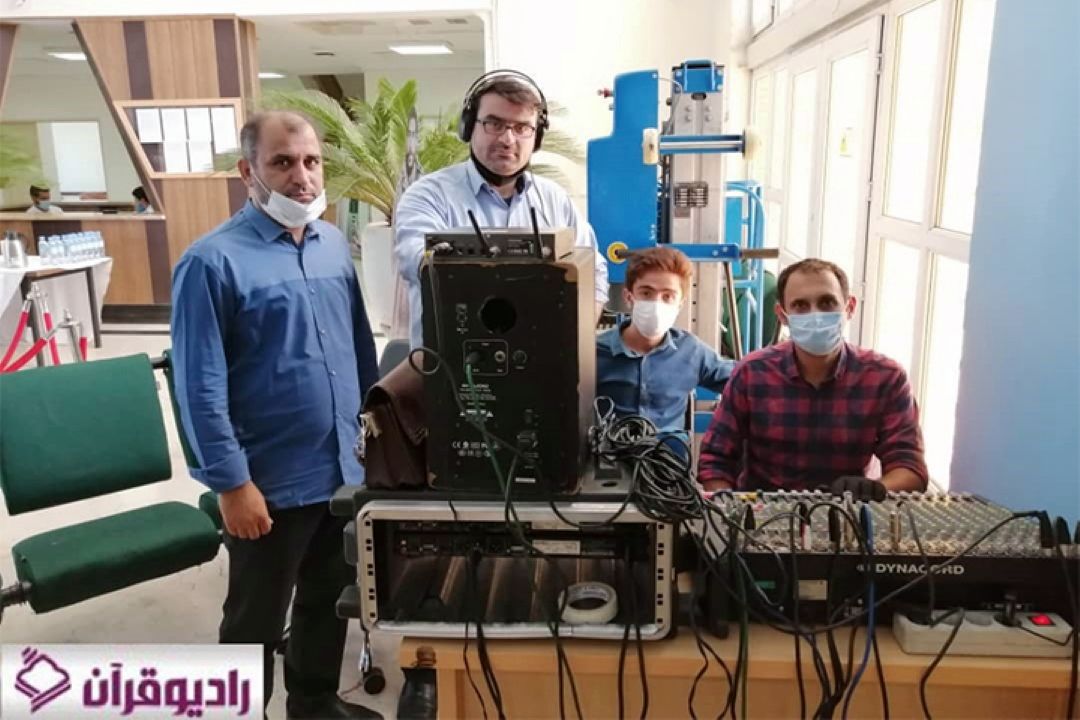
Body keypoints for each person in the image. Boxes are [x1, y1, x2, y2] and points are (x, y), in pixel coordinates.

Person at [170, 111, 379, 719]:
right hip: (268, 482)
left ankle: (313, 703)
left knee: (325, 599)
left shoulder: (333, 245)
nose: (302, 177)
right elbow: (199, 385)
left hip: (341, 469)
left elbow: (359, 347)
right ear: (248, 172)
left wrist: (375, 437)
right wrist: (231, 483)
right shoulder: (211, 262)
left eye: (312, 162)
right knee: (254, 621)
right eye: (282, 162)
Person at [394, 69, 609, 349]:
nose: (508, 139)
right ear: (468, 127)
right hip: (450, 364)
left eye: (522, 128)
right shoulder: (429, 196)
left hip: (541, 364)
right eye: (494, 124)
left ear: (536, 137)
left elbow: (595, 270)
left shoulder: (554, 199)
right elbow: (416, 262)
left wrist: (576, 342)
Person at [698, 258, 928, 500]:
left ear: (849, 307)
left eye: (827, 303)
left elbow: (910, 467)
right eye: (800, 305)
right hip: (763, 512)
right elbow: (715, 458)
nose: (815, 315)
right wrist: (728, 507)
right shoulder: (752, 373)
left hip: (850, 512)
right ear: (782, 315)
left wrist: (875, 490)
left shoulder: (886, 378)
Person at [596, 246, 734, 433]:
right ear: (629, 297)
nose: (656, 303)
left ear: (680, 304)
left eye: (668, 296)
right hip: (608, 450)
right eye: (646, 293)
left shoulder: (691, 352)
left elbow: (744, 380)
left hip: (668, 450)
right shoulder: (595, 353)